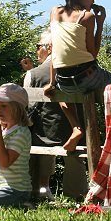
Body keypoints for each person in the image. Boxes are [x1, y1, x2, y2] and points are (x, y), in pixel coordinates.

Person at [44, 0, 111, 148]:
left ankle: (76, 127)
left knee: (61, 97)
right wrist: (100, 24)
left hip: (64, 82)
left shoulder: (55, 12)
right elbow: (93, 54)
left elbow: (55, 50)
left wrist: (52, 82)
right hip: (87, 77)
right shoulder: (87, 17)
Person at [24, 29, 89, 200]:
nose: (37, 50)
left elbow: (29, 108)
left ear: (49, 48)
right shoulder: (78, 71)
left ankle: (42, 190)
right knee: (76, 161)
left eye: (39, 46)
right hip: (75, 131)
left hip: (44, 134)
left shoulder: (33, 74)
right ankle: (78, 196)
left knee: (38, 147)